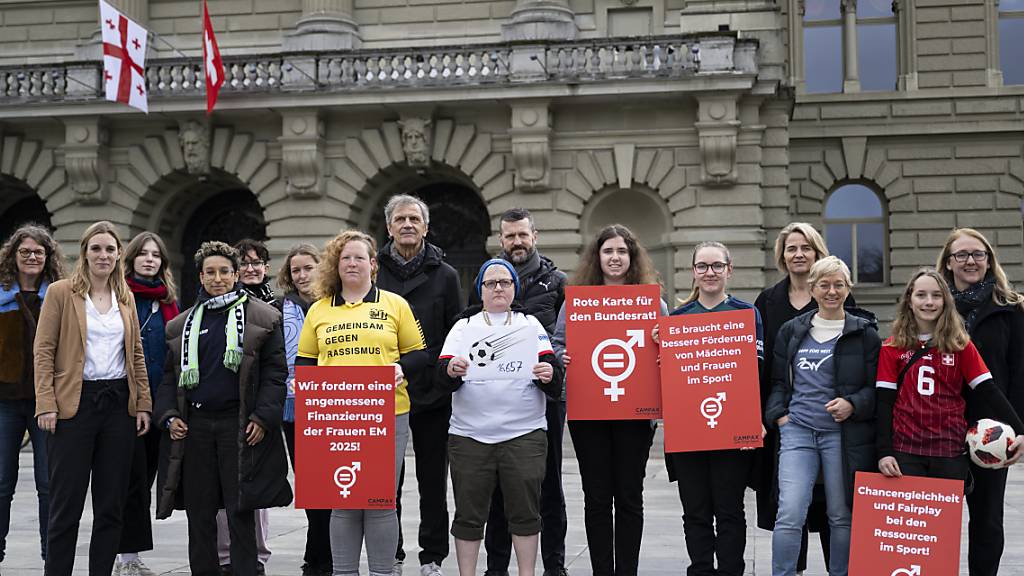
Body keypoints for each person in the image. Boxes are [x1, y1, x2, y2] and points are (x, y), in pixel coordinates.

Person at [154, 241, 292, 576]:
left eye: (225, 272)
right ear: (200, 276)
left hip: (240, 426)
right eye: (211, 272)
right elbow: (169, 379)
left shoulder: (264, 317)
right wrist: (169, 415)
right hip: (196, 427)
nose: (218, 278)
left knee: (239, 511)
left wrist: (263, 416)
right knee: (200, 515)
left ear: (236, 274)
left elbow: (276, 374)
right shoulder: (180, 325)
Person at [295, 230, 428, 576]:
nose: (352, 263)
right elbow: (306, 362)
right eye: (345, 258)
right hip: (335, 417)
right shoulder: (319, 310)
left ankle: (384, 571)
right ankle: (344, 572)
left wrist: (400, 368)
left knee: (380, 500)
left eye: (359, 258)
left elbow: (419, 355)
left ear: (373, 264)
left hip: (386, 414)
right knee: (342, 500)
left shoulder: (395, 304)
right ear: (336, 267)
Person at [34, 221, 152, 576]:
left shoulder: (126, 297)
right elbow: (43, 351)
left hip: (118, 405)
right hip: (74, 405)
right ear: (84, 252)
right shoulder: (61, 292)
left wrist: (143, 402)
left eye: (110, 249)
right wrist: (46, 403)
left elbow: (136, 354)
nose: (104, 255)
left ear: (119, 256)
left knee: (111, 505)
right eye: (96, 248)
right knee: (65, 505)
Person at [437, 258, 564, 576]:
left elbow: (554, 374)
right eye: (490, 283)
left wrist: (549, 373)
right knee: (468, 516)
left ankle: (526, 573)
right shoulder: (463, 326)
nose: (497, 288)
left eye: (504, 282)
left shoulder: (530, 325)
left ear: (514, 288)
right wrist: (451, 370)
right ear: (480, 289)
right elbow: (442, 373)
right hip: (470, 437)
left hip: (523, 435)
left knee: (525, 513)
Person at [551, 224, 664, 576]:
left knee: (630, 497)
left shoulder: (652, 302)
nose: (615, 258)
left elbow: (670, 352)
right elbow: (556, 345)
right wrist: (562, 357)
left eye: (621, 252)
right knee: (597, 498)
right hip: (589, 414)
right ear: (596, 258)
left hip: (635, 415)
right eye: (608, 251)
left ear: (632, 258)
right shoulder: (577, 302)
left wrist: (664, 344)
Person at [764, 256, 879, 576]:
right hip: (797, 431)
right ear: (812, 289)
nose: (832, 291)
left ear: (848, 289)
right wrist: (779, 416)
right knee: (789, 513)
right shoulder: (792, 331)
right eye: (824, 285)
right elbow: (778, 383)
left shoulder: (865, 333)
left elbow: (877, 390)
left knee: (841, 514)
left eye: (838, 285)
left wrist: (853, 404)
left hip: (841, 436)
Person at [475, 208, 568, 576]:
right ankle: (496, 566)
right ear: (501, 239)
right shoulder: (490, 279)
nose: (517, 242)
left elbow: (567, 339)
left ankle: (554, 566)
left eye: (522, 235)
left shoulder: (558, 282)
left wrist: (557, 369)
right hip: (499, 401)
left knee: (550, 485)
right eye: (509, 236)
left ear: (535, 236)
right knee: (497, 487)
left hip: (545, 399)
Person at [753, 223, 848, 574]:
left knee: (833, 509)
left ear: (817, 252)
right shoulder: (767, 300)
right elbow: (762, 364)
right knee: (791, 507)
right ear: (782, 256)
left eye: (805, 247)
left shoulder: (836, 295)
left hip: (833, 422)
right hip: (787, 422)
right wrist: (774, 414)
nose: (798, 254)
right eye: (791, 248)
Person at [663, 241, 763, 576]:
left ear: (729, 270)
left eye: (716, 266)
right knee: (695, 511)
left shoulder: (746, 315)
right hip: (689, 433)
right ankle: (701, 570)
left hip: (731, 431)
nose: (710, 273)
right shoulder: (677, 320)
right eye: (703, 266)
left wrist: (754, 420)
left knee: (730, 510)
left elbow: (757, 374)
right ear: (693, 272)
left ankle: (732, 571)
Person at [376, 194, 462, 576]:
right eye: (400, 219)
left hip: (430, 391)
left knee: (432, 479)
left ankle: (432, 556)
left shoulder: (446, 274)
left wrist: (441, 377)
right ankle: (390, 553)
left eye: (414, 219)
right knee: (384, 481)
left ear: (426, 228)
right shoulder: (374, 272)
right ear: (389, 227)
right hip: (381, 392)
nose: (407, 225)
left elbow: (454, 331)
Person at [875, 268, 1024, 483]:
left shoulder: (960, 345)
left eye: (936, 296)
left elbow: (988, 391)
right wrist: (884, 451)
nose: (929, 302)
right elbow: (884, 402)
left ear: (946, 301)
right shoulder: (892, 347)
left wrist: (1020, 430)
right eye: (921, 295)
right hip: (905, 450)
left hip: (949, 450)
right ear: (909, 300)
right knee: (914, 517)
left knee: (942, 518)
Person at [937, 228, 1024, 576]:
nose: (971, 261)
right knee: (935, 517)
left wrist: (1020, 430)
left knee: (988, 521)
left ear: (989, 261)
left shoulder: (1012, 309)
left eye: (978, 254)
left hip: (991, 433)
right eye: (962, 255)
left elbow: (1020, 375)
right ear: (948, 262)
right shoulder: (932, 305)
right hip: (938, 429)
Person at [115, 232, 181, 576]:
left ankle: (125, 551)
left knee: (146, 479)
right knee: (130, 480)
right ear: (132, 259)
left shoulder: (169, 302)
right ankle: (127, 556)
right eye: (143, 254)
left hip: (160, 405)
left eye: (156, 255)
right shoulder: (118, 296)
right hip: (123, 402)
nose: (150, 260)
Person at [0, 224, 64, 569]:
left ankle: (50, 557)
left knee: (48, 484)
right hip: (4, 401)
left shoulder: (57, 296)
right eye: (24, 251)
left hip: (46, 402)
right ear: (13, 256)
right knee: (0, 483)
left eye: (39, 252)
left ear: (48, 257)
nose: (32, 257)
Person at [214, 237, 276, 575]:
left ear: (266, 268)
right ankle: (225, 556)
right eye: (245, 263)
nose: (251, 268)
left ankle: (257, 555)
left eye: (257, 262)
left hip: (262, 407)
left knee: (259, 483)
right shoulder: (221, 304)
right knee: (224, 483)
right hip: (227, 405)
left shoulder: (277, 307)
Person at [275, 243, 331, 576]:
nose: (301, 275)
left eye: (307, 267)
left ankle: (326, 554)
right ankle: (318, 557)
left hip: (335, 407)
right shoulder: (282, 308)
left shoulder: (335, 306)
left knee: (335, 486)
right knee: (311, 487)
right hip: (295, 408)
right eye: (295, 270)